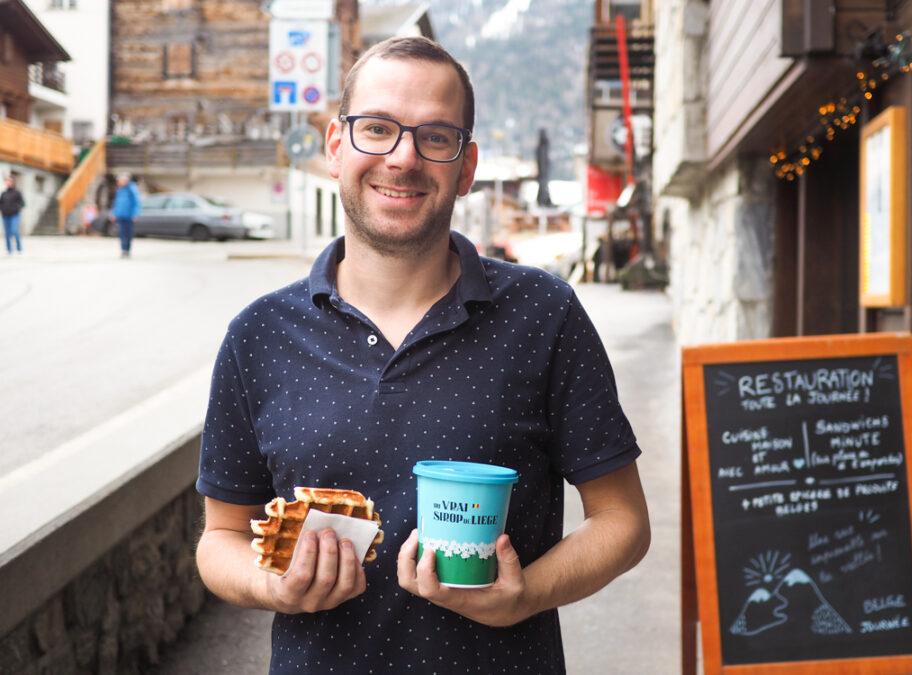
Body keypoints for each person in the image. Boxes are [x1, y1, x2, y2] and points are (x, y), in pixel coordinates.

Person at [195, 36, 650, 674]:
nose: (403, 158)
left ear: (466, 167)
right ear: (335, 146)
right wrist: (272, 585)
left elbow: (622, 520)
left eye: (436, 137)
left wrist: (527, 597)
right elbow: (221, 537)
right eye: (376, 128)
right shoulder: (260, 334)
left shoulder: (544, 316)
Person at [110, 173, 140, 257]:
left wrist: (135, 214)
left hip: (129, 216)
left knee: (128, 234)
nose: (118, 182)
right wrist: (114, 213)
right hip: (120, 215)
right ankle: (123, 250)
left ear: (125, 181)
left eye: (119, 181)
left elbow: (136, 203)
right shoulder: (119, 190)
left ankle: (127, 250)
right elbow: (116, 203)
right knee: (122, 233)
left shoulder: (132, 189)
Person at [1, 175, 25, 255]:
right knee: (7, 233)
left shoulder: (17, 192)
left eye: (9, 181)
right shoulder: (3, 193)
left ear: (13, 182)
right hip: (5, 215)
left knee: (14, 231)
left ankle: (19, 248)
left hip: (14, 215)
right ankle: (9, 250)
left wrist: (16, 208)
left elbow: (22, 203)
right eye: (7, 181)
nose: (8, 182)